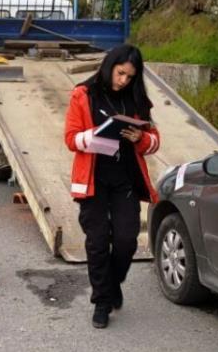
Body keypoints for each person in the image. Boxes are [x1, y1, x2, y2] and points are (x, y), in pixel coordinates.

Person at [64, 44, 161, 329]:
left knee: (126, 240)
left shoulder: (137, 99)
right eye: (120, 73)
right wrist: (95, 134)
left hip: (125, 180)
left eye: (130, 77)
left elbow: (155, 141)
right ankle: (102, 302)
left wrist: (140, 139)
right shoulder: (83, 94)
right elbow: (70, 139)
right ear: (109, 66)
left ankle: (112, 283)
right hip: (93, 180)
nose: (123, 81)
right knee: (96, 242)